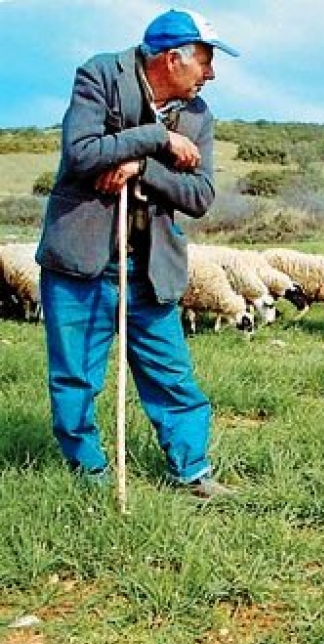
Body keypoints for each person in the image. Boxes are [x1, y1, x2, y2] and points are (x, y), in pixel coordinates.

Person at [35, 9, 239, 499]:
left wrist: (142, 168)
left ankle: (193, 470)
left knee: (172, 376)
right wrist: (157, 139)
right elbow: (81, 153)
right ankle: (88, 475)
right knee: (75, 377)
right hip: (81, 262)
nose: (211, 74)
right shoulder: (100, 76)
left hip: (150, 267)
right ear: (172, 59)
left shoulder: (198, 115)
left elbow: (200, 195)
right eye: (206, 61)